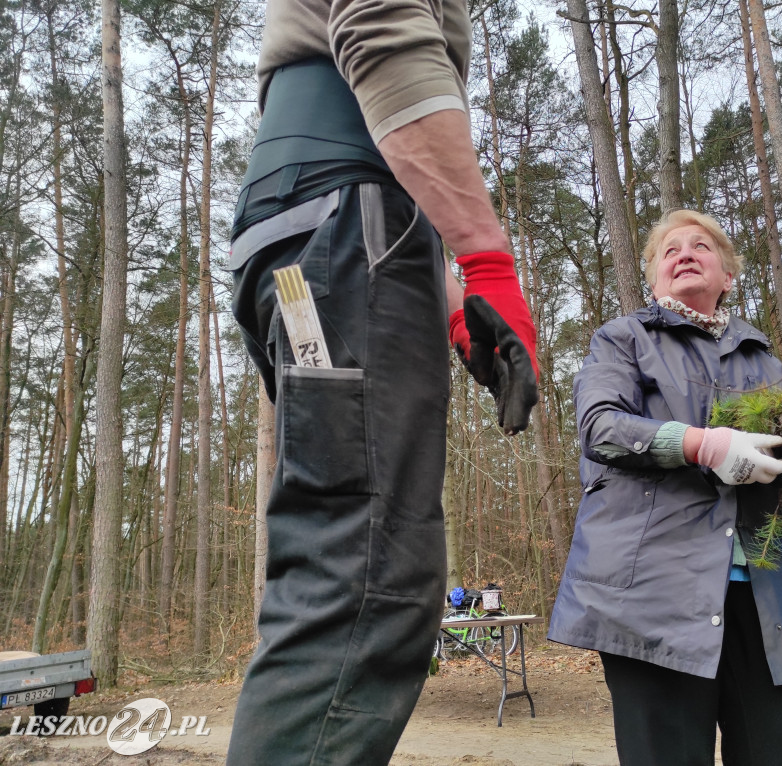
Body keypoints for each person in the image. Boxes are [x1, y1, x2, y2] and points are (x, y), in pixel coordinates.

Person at [224, 0, 539, 763]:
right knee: (367, 583)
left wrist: (455, 305)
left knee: (350, 564)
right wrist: (486, 260)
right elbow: (379, 23)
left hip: (319, 224)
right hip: (346, 217)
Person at [547, 209, 782, 766]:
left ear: (728, 276)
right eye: (669, 249)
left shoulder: (763, 358)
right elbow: (599, 427)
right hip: (654, 596)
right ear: (654, 278)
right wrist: (703, 444)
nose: (684, 253)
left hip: (769, 596)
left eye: (701, 246)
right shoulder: (623, 339)